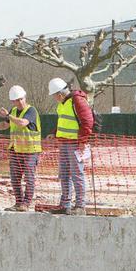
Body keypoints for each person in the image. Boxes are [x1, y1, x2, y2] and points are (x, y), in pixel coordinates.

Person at [0, 85, 42, 212]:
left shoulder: (31, 111)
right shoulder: (13, 111)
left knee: (29, 179)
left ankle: (26, 204)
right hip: (16, 150)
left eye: (21, 99)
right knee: (15, 178)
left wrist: (8, 115)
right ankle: (18, 202)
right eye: (17, 100)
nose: (20, 102)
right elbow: (5, 125)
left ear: (25, 97)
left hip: (30, 151)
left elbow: (22, 123)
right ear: (12, 101)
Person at [48, 77, 94, 215]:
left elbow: (87, 121)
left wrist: (82, 141)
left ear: (60, 94)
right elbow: (64, 122)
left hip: (74, 144)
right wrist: (55, 133)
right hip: (63, 143)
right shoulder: (63, 103)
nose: (54, 98)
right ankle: (65, 204)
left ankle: (80, 205)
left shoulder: (77, 101)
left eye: (54, 96)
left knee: (77, 174)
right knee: (64, 174)